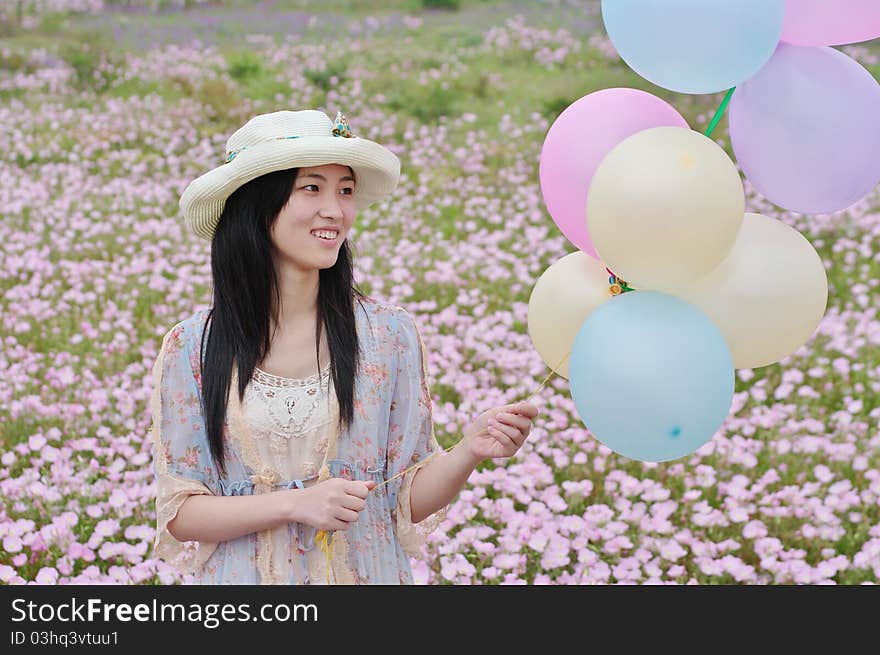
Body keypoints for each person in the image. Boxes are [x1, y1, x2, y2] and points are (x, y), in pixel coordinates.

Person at [149, 108, 540, 584]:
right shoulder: (194, 347)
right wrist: (297, 503)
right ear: (258, 204)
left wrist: (469, 450)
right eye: (312, 188)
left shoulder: (388, 336)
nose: (335, 210)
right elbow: (182, 511)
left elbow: (404, 498)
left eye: (346, 190)